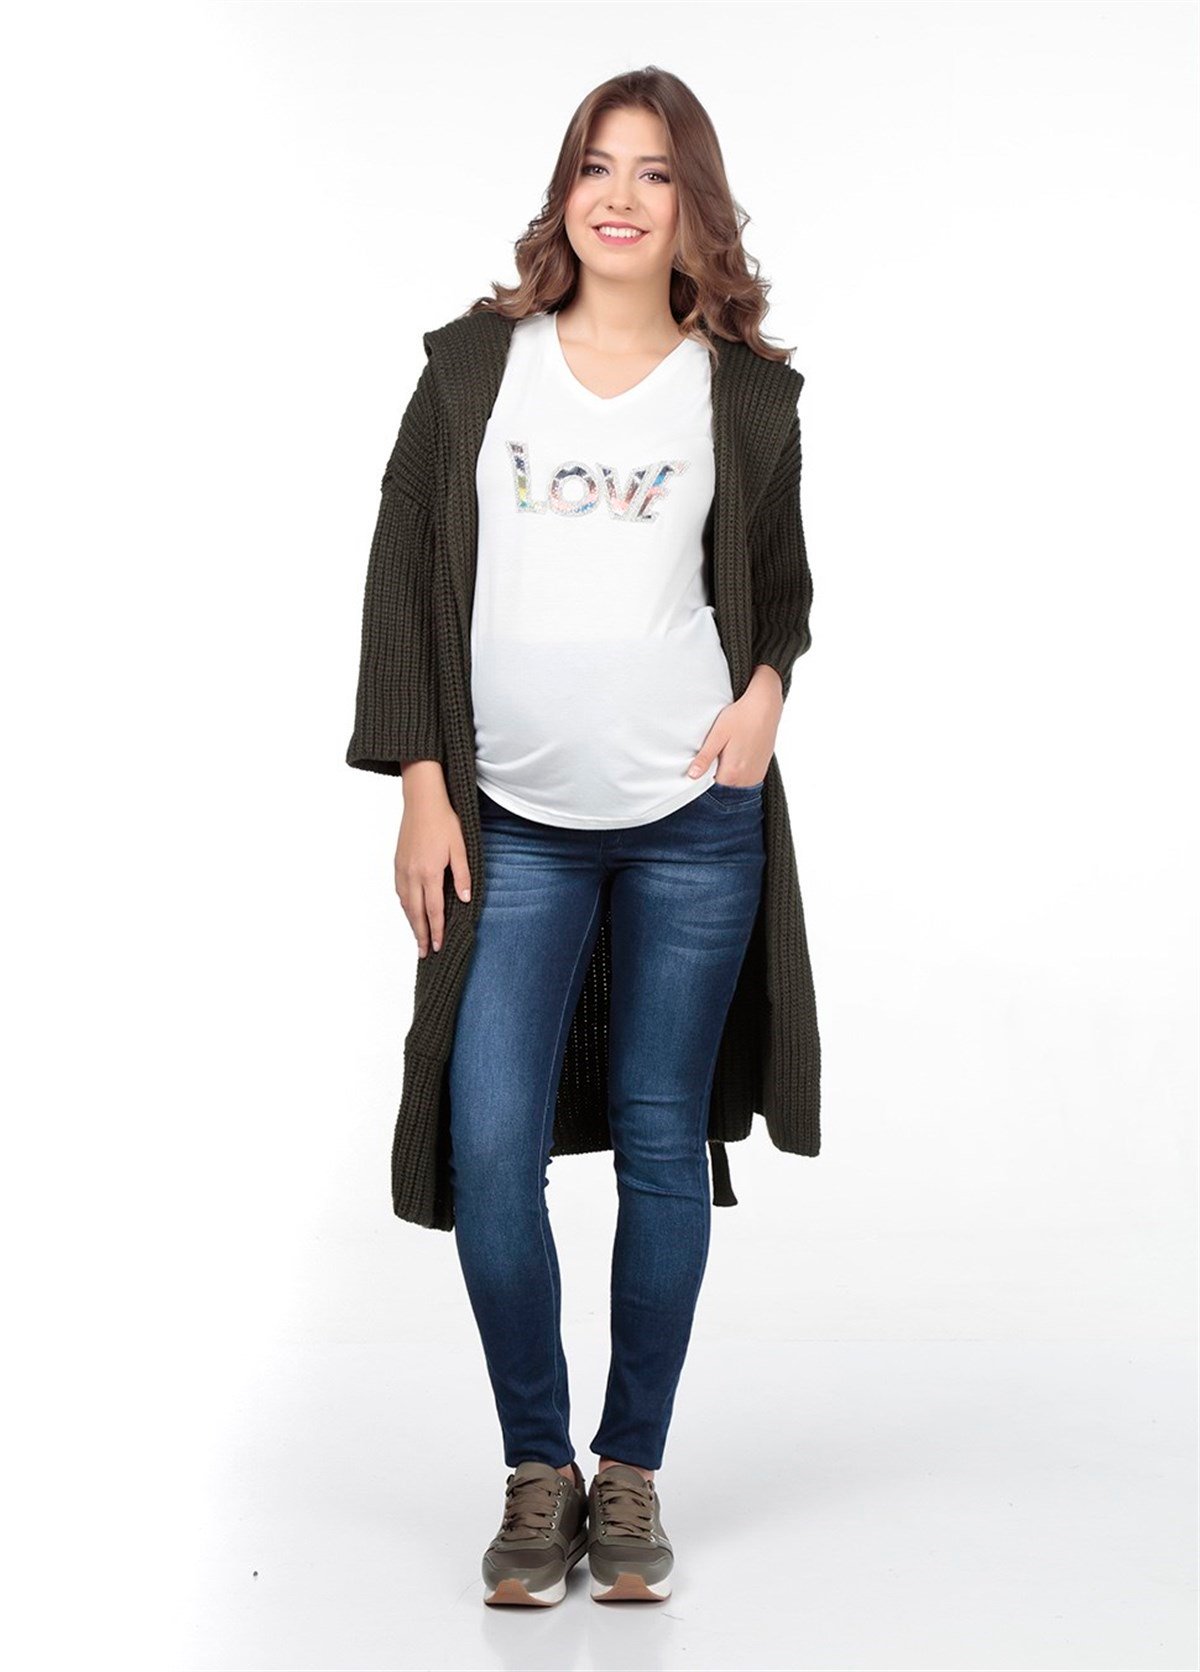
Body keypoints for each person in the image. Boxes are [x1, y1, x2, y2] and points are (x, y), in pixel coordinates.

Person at [346, 66, 819, 1607]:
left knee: (662, 1146)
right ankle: (535, 1471)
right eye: (598, 166)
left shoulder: (743, 397)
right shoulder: (475, 370)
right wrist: (422, 784)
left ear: (696, 209)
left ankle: (630, 1480)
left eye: (657, 172)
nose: (622, 196)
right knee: (492, 1148)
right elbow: (404, 566)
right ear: (565, 191)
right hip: (512, 827)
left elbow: (777, 588)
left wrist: (766, 692)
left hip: (695, 828)